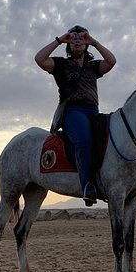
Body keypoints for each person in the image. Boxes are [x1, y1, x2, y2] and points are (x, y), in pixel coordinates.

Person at [34, 25, 116, 206]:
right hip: (71, 111)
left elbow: (111, 61)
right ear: (68, 44)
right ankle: (87, 185)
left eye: (82, 38)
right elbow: (39, 59)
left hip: (93, 111)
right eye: (74, 38)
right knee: (84, 140)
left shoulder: (93, 67)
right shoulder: (61, 64)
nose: (78, 41)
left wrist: (93, 41)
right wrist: (59, 39)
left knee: (109, 139)